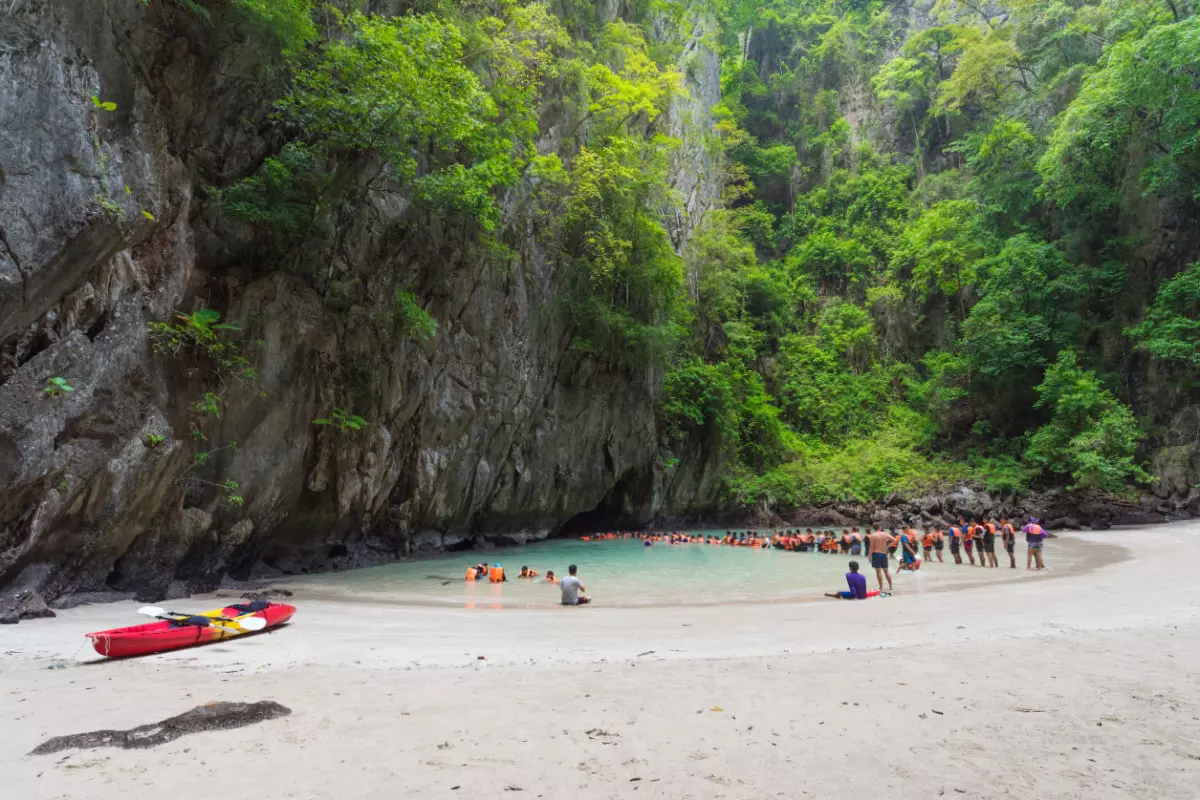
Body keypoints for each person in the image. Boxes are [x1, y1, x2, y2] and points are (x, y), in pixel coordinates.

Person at [866, 527, 893, 593]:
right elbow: (895, 540)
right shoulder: (885, 534)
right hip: (884, 554)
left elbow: (871, 547)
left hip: (876, 554)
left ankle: (881, 587)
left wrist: (869, 555)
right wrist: (887, 546)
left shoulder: (873, 535)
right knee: (886, 571)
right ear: (880, 528)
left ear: (874, 528)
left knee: (878, 571)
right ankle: (890, 585)